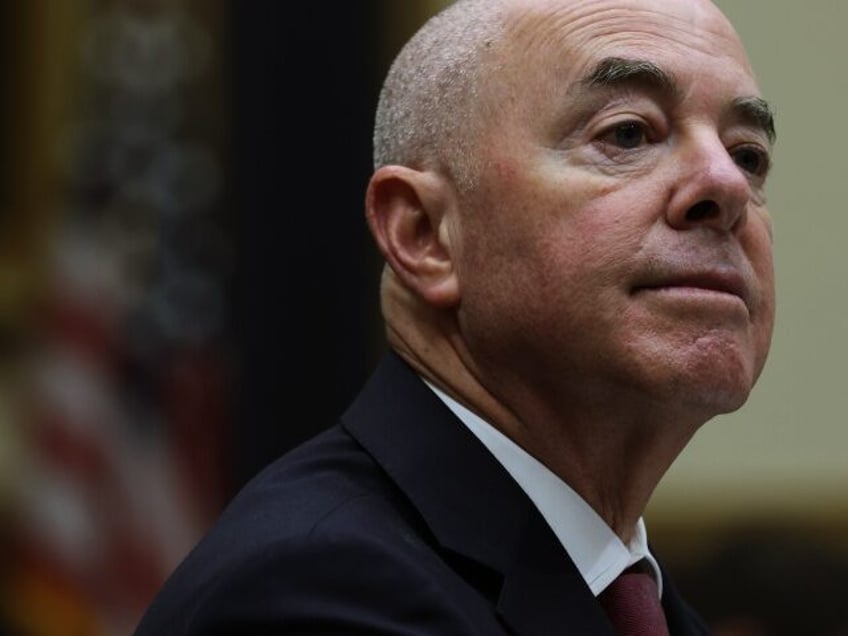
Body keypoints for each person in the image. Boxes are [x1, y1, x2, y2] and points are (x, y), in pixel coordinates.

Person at [134, 0, 776, 633]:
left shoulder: (643, 606)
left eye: (747, 154)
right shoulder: (317, 591)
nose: (726, 185)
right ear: (424, 235)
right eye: (628, 133)